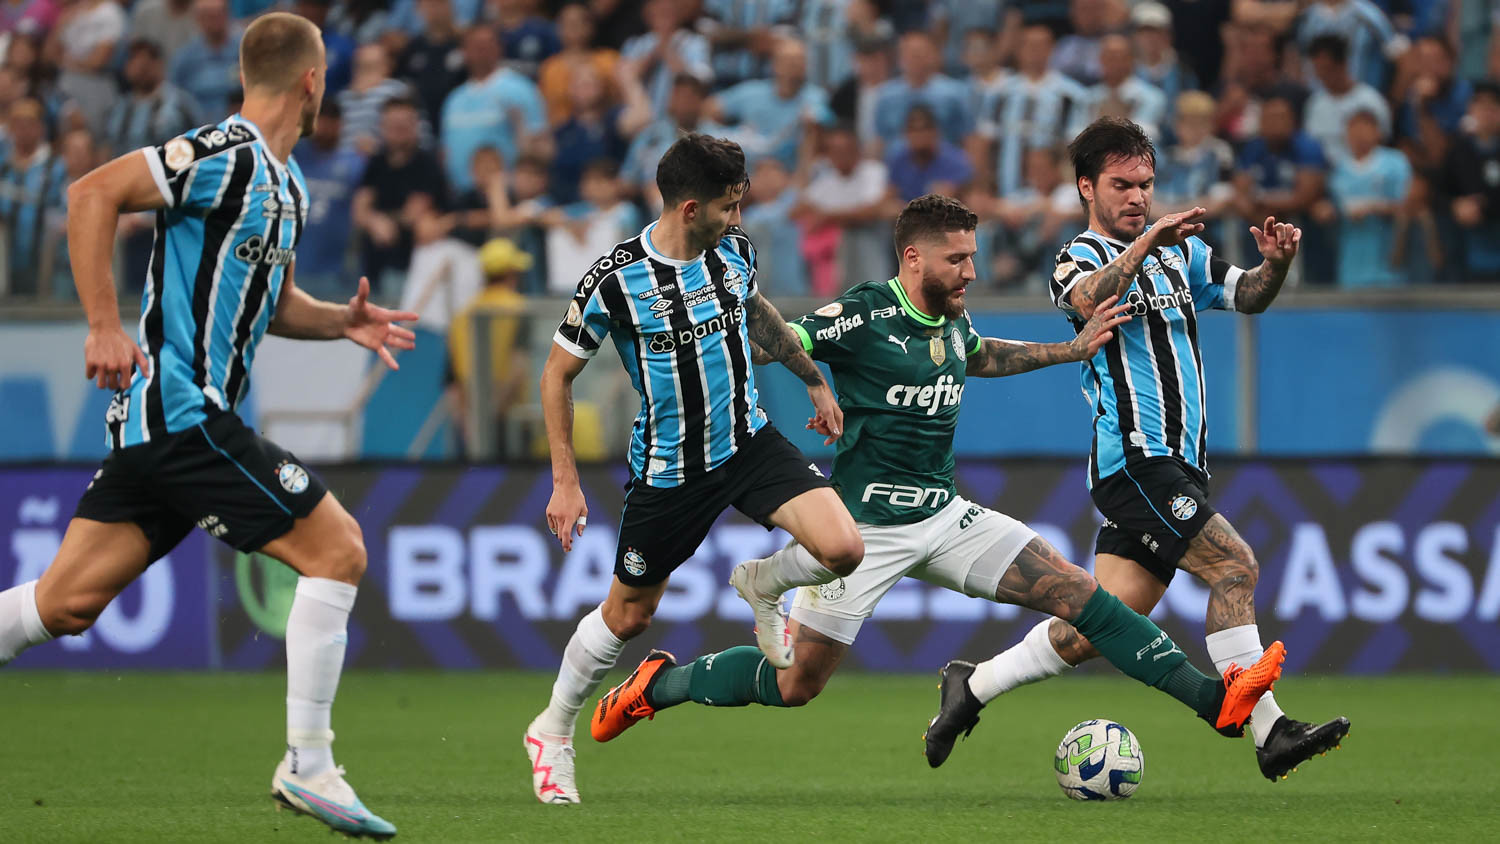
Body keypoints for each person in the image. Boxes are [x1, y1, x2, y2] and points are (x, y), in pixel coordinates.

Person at [588, 194, 1287, 769]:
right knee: (796, 684)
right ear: (913, 257)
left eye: (973, 258)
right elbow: (784, 341)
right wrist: (806, 379)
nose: (970, 273)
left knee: (1081, 595)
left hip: (945, 516)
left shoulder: (952, 318)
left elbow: (980, 355)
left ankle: (1216, 703)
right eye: (957, 260)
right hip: (859, 533)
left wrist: (1067, 351)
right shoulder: (863, 314)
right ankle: (660, 683)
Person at [0, 13, 406, 838]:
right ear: (311, 81)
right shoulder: (221, 154)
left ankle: (309, 764)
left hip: (164, 432)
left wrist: (339, 322)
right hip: (182, 413)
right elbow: (92, 193)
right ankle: (309, 763)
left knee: (65, 603)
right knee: (339, 550)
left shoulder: (284, 185)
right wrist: (102, 324)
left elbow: (271, 303)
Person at [960, 117, 1349, 783]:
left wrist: (1276, 266)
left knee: (1097, 626)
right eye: (1122, 184)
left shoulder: (1180, 254)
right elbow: (1086, 299)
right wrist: (1144, 241)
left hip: (1183, 466)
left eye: (1145, 183)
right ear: (1086, 187)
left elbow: (1247, 296)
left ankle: (970, 687)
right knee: (1234, 566)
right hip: (1135, 461)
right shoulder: (1077, 256)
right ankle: (1270, 732)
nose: (1139, 195)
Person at [524, 133, 863, 804]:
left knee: (843, 547)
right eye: (728, 208)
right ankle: (552, 729)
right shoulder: (614, 281)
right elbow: (557, 376)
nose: (738, 220)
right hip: (670, 471)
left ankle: (762, 584)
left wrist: (814, 380)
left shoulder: (733, 253)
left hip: (749, 443)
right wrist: (564, 479)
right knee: (627, 618)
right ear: (689, 207)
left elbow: (757, 314)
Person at [1316, 109, 1411, 288]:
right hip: (1351, 264)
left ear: (1378, 132)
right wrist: (1326, 211)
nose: (1358, 134)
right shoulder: (1338, 170)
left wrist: (1375, 207)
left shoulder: (1395, 163)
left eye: (1365, 127)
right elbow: (1332, 209)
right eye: (1352, 128)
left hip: (1389, 262)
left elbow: (1408, 206)